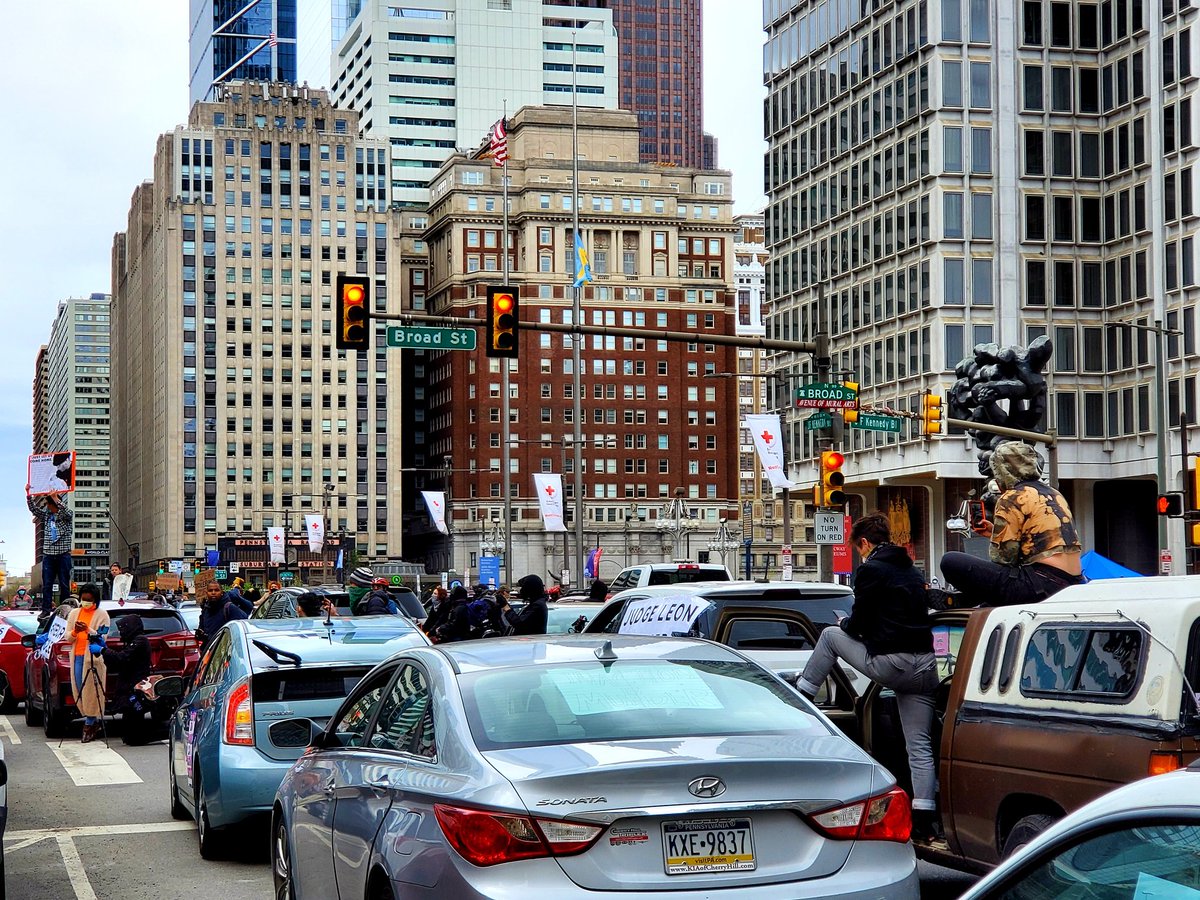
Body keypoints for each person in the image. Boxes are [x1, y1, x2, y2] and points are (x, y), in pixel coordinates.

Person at [794, 513, 942, 845]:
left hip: (891, 663)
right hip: (925, 665)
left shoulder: (871, 570)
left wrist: (846, 623)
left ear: (864, 543)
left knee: (831, 635)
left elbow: (858, 623)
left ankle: (801, 695)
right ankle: (924, 820)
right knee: (919, 747)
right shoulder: (910, 569)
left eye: (858, 549)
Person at [940, 441, 1084, 607]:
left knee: (950, 561)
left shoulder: (1012, 497)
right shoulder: (1053, 493)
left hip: (1040, 584)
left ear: (1003, 471)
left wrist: (998, 539)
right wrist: (996, 531)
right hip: (1072, 580)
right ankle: (978, 600)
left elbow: (1003, 558)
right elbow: (1042, 542)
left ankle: (967, 600)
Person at [65, 584, 110, 743]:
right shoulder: (74, 614)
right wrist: (76, 631)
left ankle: (90, 722)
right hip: (77, 656)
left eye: (89, 600)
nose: (86, 602)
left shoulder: (102, 615)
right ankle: (90, 718)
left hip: (93, 658)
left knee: (92, 690)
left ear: (95, 600)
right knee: (79, 688)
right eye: (83, 599)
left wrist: (88, 629)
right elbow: (68, 638)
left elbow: (102, 637)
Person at [102, 614, 152, 744]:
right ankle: (130, 737)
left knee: (134, 712)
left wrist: (103, 650)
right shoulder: (133, 640)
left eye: (123, 629)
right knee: (129, 712)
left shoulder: (140, 641)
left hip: (135, 683)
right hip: (129, 683)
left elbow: (123, 658)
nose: (120, 632)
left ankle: (136, 738)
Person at [27, 485, 74, 614]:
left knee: (64, 584)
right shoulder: (47, 516)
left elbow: (68, 512)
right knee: (47, 584)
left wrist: (56, 498)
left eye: (49, 504)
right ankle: (46, 610)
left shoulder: (66, 516)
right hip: (48, 555)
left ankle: (66, 609)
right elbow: (34, 510)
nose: (47, 507)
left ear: (55, 504)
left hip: (63, 555)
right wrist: (28, 495)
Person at [196, 581, 249, 648]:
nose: (213, 593)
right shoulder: (205, 610)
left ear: (222, 592)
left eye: (216, 590)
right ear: (206, 593)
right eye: (210, 590)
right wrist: (200, 634)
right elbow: (202, 629)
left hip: (226, 651)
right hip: (210, 652)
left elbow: (242, 626)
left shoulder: (229, 608)